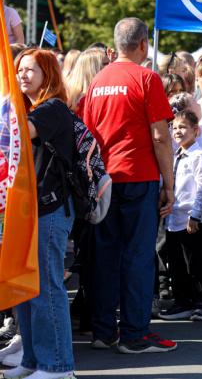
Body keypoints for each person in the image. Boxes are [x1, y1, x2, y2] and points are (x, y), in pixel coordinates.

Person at [83, 17, 177, 353]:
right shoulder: (147, 78)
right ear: (143, 44)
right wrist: (170, 184)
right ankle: (135, 335)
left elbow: (86, 134)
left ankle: (103, 331)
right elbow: (160, 137)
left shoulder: (98, 80)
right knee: (138, 257)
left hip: (104, 180)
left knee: (106, 256)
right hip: (139, 176)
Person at [5, 49, 76, 379]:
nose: (21, 75)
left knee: (47, 288)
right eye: (18, 69)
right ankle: (33, 359)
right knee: (25, 288)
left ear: (48, 74)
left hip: (50, 208)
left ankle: (58, 366)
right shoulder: (30, 108)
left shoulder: (53, 109)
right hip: (27, 211)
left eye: (30, 69)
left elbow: (20, 133)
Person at [158, 110, 202, 322]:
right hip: (173, 218)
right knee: (176, 263)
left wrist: (196, 216)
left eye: (183, 127)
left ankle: (200, 303)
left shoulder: (200, 156)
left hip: (191, 219)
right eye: (175, 128)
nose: (178, 131)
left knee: (195, 263)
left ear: (196, 130)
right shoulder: (175, 155)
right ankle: (182, 302)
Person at [65, 48, 109, 116]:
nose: (110, 65)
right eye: (106, 64)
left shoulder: (73, 98)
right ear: (92, 69)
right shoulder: (86, 101)